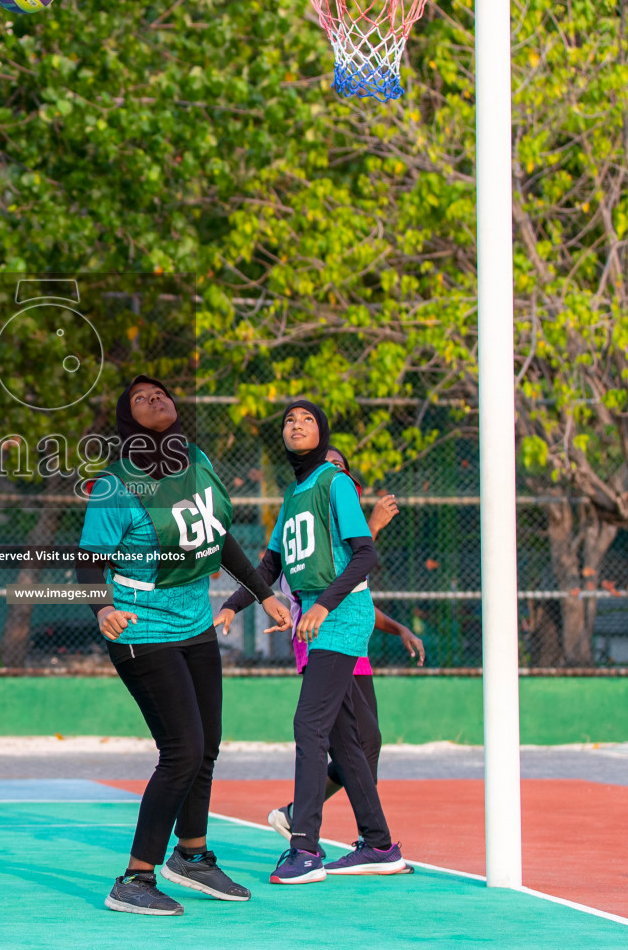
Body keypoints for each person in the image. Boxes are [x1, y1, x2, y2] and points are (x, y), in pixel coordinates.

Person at [78, 376, 294, 917]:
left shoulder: (195, 459)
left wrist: (264, 593)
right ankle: (134, 876)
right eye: (140, 398)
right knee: (182, 751)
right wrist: (102, 608)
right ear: (126, 419)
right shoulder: (115, 485)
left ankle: (192, 857)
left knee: (208, 745)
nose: (155, 400)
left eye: (162, 394)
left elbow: (217, 538)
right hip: (142, 628)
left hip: (194, 618)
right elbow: (84, 563)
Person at [226, 401, 406, 883]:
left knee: (309, 725)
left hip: (342, 617)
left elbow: (364, 555)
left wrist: (323, 605)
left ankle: (304, 848)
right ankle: (379, 845)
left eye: (307, 419)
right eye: (289, 419)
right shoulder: (293, 495)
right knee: (346, 738)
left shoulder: (335, 482)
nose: (297, 424)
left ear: (322, 433)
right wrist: (230, 606)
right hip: (319, 618)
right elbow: (268, 569)